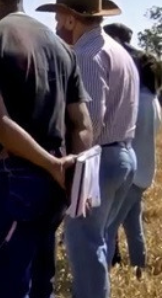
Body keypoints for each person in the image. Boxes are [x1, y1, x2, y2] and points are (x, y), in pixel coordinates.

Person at [0, 1, 93, 297]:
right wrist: (74, 173)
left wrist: (52, 164)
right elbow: (82, 122)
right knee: (39, 282)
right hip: (53, 188)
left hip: (10, 184)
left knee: (4, 288)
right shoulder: (62, 49)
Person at [37, 1, 139, 297]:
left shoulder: (85, 55)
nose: (55, 27)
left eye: (58, 19)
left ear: (71, 20)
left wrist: (66, 165)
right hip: (123, 157)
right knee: (100, 240)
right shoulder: (116, 50)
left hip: (99, 159)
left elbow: (89, 122)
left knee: (85, 244)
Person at [103, 22, 161, 279]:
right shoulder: (154, 102)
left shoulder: (136, 101)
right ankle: (139, 272)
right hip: (145, 172)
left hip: (131, 170)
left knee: (107, 226)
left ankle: (101, 274)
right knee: (133, 225)